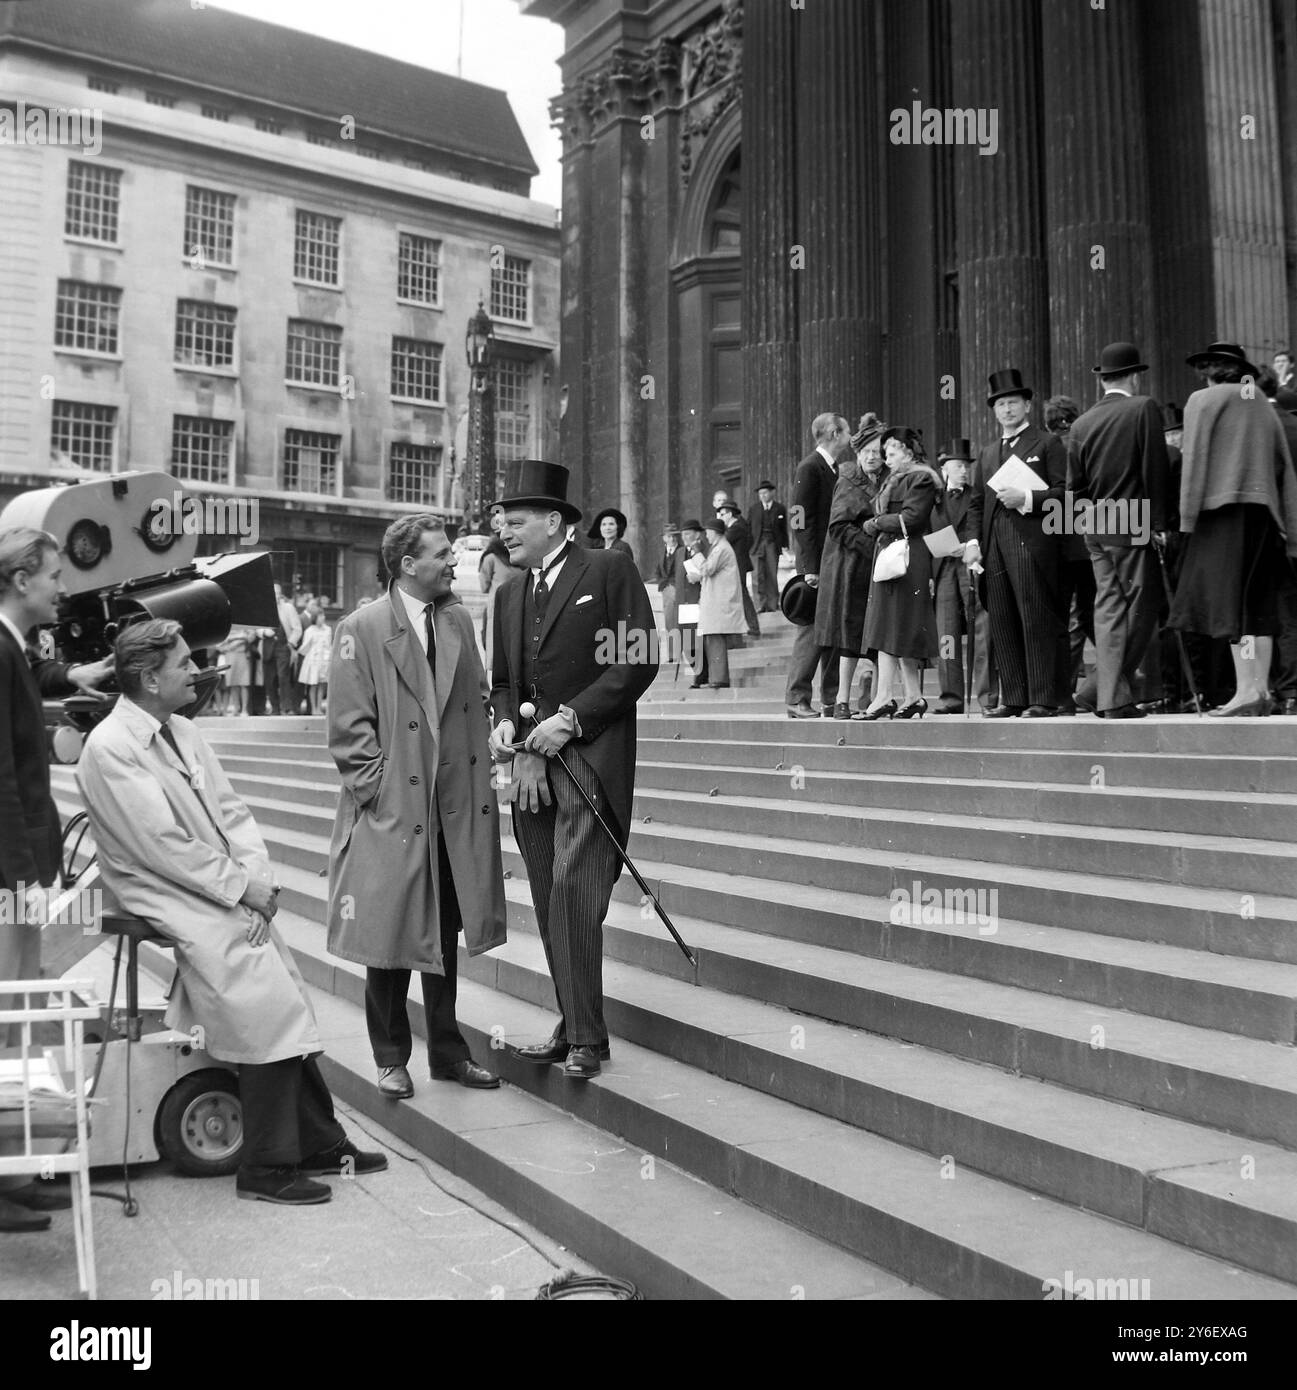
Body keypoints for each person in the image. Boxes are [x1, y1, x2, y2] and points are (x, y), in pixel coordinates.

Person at [77, 619, 386, 1205]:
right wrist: (239, 889)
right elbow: (158, 845)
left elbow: (233, 814)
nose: (197, 671)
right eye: (183, 664)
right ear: (148, 678)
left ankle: (318, 1139)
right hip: (160, 888)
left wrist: (257, 884)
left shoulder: (184, 732)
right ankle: (266, 1167)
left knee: (283, 994)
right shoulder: (111, 746)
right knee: (264, 1000)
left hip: (212, 883)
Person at [327, 516, 507, 1098]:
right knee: (387, 939)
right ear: (407, 564)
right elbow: (350, 731)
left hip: (451, 806)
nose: (454, 563)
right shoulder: (361, 627)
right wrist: (378, 792)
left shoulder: (456, 618)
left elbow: (476, 696)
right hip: (394, 810)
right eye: (442, 555)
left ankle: (448, 1053)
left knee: (445, 930)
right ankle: (390, 1055)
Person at [489, 459, 657, 1080]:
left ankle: (586, 1036)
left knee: (575, 899)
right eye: (503, 522)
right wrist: (509, 726)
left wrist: (571, 720)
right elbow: (504, 682)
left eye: (517, 521)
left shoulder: (609, 568)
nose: (504, 531)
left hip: (589, 758)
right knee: (546, 897)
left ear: (554, 522)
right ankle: (574, 1023)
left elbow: (636, 661)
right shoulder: (508, 596)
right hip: (530, 772)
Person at [0, 527, 111, 1231]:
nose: (61, 588)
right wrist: (25, 878)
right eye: (52, 577)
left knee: (17, 1026)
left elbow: (28, 681)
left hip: (19, 870)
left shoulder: (11, 643)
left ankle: (12, 1169)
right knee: (6, 1020)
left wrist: (74, 676)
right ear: (19, 580)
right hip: (9, 874)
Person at [1169, 342, 1297, 716]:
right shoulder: (1258, 399)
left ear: (1208, 371)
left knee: (1230, 606)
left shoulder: (1203, 401)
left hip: (1219, 513)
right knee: (1260, 604)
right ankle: (1261, 690)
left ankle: (1244, 691)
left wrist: (1187, 518)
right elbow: (1282, 464)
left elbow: (1194, 460)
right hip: (1264, 514)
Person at [1067, 343, 1172, 720]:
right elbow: (1154, 470)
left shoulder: (1081, 423)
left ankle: (1102, 692)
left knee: (1108, 609)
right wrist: (1159, 524)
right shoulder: (1143, 408)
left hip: (1093, 524)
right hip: (1132, 521)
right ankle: (1108, 695)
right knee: (1142, 610)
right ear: (1133, 375)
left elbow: (1074, 487)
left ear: (1103, 379)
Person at [967, 368, 1069, 718]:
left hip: (1032, 542)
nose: (1007, 409)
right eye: (1000, 404)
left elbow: (1065, 496)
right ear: (994, 411)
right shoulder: (987, 452)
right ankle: (1014, 696)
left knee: (1034, 616)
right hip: (994, 542)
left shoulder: (1047, 443)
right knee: (1003, 619)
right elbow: (977, 502)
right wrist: (972, 543)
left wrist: (1027, 497)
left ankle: (1043, 697)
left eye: (1013, 402)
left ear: (1027, 405)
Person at [857, 427, 942, 720]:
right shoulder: (901, 479)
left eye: (891, 453)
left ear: (907, 451)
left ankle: (883, 697)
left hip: (905, 559)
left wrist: (877, 522)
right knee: (897, 628)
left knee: (890, 627)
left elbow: (913, 519)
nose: (886, 458)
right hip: (895, 558)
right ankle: (913, 696)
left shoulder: (920, 478)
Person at [817, 413, 887, 718]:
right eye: (867, 452)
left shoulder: (888, 481)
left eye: (878, 452)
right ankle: (841, 699)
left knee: (878, 636)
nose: (873, 457)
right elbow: (838, 527)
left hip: (880, 572)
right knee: (849, 638)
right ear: (857, 454)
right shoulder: (848, 480)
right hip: (852, 569)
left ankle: (874, 697)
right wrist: (873, 548)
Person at [786, 413, 852, 718]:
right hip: (818, 565)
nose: (850, 435)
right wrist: (810, 566)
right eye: (847, 430)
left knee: (832, 631)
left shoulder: (833, 468)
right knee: (812, 632)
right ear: (835, 433)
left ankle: (829, 698)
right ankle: (796, 698)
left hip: (834, 562)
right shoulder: (810, 467)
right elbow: (799, 517)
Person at [930, 439, 995, 715]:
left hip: (971, 564)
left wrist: (969, 544)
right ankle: (951, 698)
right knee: (947, 633)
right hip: (943, 567)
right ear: (944, 468)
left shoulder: (976, 495)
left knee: (983, 629)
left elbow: (980, 523)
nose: (964, 471)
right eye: (958, 466)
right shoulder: (932, 498)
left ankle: (988, 697)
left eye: (967, 466)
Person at [1044, 394, 1096, 713]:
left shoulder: (1050, 447)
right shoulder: (1085, 440)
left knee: (1070, 619)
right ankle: (1114, 680)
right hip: (1091, 537)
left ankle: (1065, 692)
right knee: (1090, 614)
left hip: (1060, 539)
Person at [685, 517, 746, 689]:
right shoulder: (720, 548)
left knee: (715, 639)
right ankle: (716, 676)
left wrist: (696, 553)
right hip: (716, 602)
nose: (707, 536)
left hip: (718, 603)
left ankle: (719, 678)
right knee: (712, 638)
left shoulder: (721, 549)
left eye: (708, 532)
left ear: (715, 532)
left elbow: (706, 568)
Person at [716, 499, 761, 638]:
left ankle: (753, 627)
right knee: (742, 596)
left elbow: (721, 542)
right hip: (738, 567)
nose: (721, 517)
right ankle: (749, 627)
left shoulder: (736, 528)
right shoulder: (738, 526)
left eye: (723, 514)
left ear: (730, 514)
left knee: (742, 597)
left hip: (737, 568)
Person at [748, 480, 788, 613]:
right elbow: (749, 528)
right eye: (760, 493)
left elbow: (783, 529)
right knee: (757, 576)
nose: (763, 496)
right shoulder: (754, 509)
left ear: (772, 493)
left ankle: (772, 604)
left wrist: (785, 546)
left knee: (772, 574)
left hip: (772, 544)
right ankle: (759, 604)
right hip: (756, 545)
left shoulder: (780, 508)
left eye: (765, 493)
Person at [260, 584, 301, 715]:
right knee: (270, 679)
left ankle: (287, 707)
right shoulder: (263, 608)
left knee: (283, 677)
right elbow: (255, 628)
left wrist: (290, 643)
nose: (275, 595)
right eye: (272, 593)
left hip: (283, 646)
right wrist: (264, 632)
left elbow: (297, 628)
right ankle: (275, 708)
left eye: (277, 593)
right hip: (268, 646)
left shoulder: (288, 608)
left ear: (280, 594)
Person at [478, 533, 515, 676]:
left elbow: (484, 586)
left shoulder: (490, 558)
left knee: (492, 641)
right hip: (517, 602)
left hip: (496, 604)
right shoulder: (518, 559)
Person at [676, 520, 707, 684]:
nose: (685, 538)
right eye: (683, 534)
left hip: (699, 600)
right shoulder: (680, 552)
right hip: (684, 602)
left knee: (699, 639)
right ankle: (697, 670)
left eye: (688, 534)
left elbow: (709, 571)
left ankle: (701, 674)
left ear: (697, 534)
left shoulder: (705, 549)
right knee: (687, 641)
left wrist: (699, 577)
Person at [653, 523, 685, 663]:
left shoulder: (682, 551)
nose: (671, 539)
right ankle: (672, 654)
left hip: (678, 589)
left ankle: (679, 653)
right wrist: (662, 583)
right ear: (664, 538)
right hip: (666, 589)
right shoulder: (662, 552)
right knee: (668, 622)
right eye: (668, 536)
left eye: (673, 536)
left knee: (676, 621)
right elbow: (658, 571)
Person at [296, 609, 331, 714]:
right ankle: (313, 708)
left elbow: (329, 645)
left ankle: (319, 707)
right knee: (313, 684)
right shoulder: (309, 630)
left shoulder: (328, 629)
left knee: (321, 684)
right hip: (313, 660)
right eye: (320, 616)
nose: (323, 618)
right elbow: (305, 647)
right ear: (315, 618)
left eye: (323, 616)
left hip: (324, 659)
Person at [217, 624, 255, 716]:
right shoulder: (226, 624)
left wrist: (236, 639)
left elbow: (251, 636)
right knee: (233, 683)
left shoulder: (245, 622)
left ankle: (244, 709)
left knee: (244, 683)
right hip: (229, 655)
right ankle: (236, 708)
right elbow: (219, 643)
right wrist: (237, 640)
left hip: (242, 654)